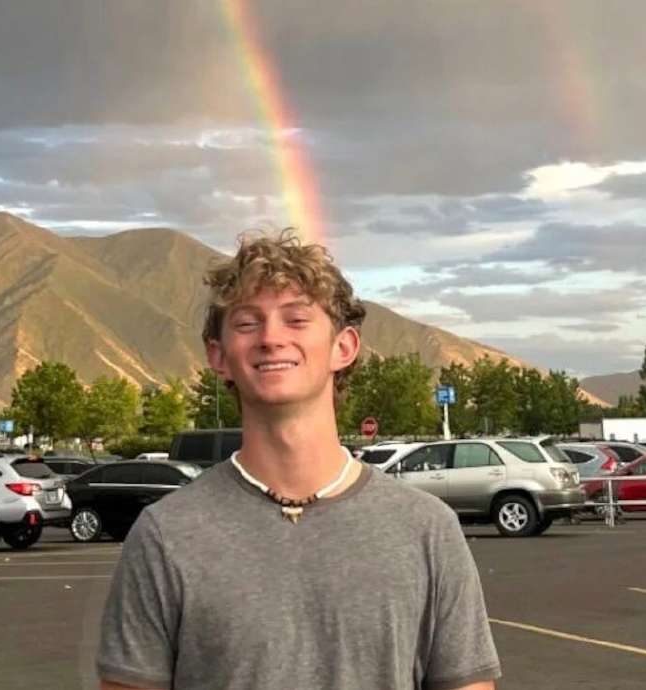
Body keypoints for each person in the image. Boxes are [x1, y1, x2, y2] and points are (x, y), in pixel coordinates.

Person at [96, 231, 501, 690]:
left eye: (296, 320)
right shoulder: (166, 535)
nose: (271, 338)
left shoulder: (428, 530)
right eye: (248, 323)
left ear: (343, 348)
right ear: (218, 356)